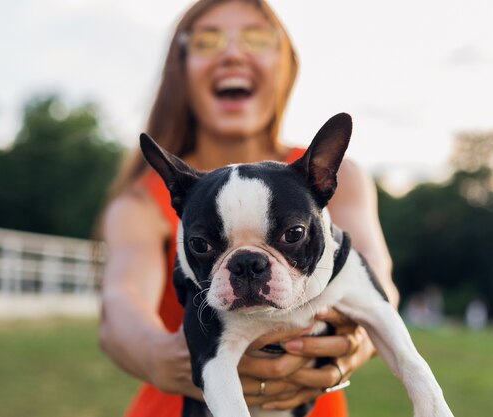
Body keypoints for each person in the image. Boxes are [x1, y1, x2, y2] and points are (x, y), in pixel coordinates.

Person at [98, 0, 399, 416]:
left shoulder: (329, 176)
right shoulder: (142, 199)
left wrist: (359, 340)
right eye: (208, 40)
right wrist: (160, 355)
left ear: (285, 64)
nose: (232, 52)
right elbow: (120, 303)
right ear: (180, 68)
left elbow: (377, 278)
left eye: (256, 37)